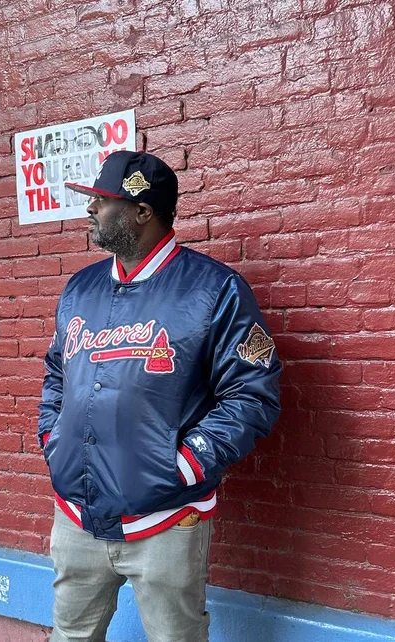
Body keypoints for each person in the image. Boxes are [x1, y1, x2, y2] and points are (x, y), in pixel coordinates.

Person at [38, 151, 282, 642]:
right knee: (69, 636)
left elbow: (253, 394)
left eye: (102, 202)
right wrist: (53, 435)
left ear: (141, 211)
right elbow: (56, 375)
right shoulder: (80, 287)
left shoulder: (215, 289)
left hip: (167, 519)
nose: (90, 210)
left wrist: (186, 465)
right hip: (77, 511)